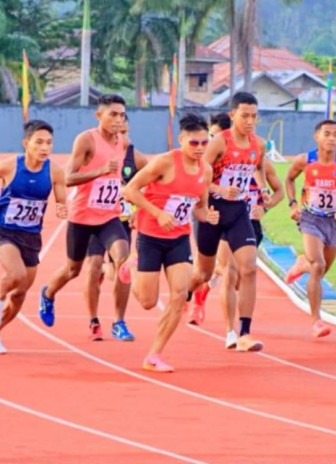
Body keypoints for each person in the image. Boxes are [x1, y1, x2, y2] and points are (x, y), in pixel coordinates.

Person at [123, 113, 217, 372]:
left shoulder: (205, 171)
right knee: (147, 302)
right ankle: (131, 266)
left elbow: (199, 209)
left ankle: (154, 354)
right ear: (181, 140)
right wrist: (157, 213)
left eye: (204, 143)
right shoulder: (164, 163)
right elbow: (129, 190)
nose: (199, 148)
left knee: (179, 294)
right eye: (193, 143)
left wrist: (207, 215)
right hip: (151, 237)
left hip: (179, 239)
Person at [38, 94, 135, 342]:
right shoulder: (86, 140)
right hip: (82, 217)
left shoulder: (123, 142)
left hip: (109, 217)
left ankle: (118, 322)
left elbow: (123, 175)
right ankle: (49, 293)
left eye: (121, 114)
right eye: (112, 114)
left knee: (123, 264)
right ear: (98, 115)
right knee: (75, 270)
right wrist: (100, 171)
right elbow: (67, 177)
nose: (117, 119)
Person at [0, 120, 68, 354]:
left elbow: (60, 199)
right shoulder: (9, 166)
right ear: (26, 143)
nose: (44, 147)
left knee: (20, 294)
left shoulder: (55, 171)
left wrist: (61, 207)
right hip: (7, 232)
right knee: (15, 275)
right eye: (39, 142)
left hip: (32, 237)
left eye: (49, 143)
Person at [188, 91, 268, 352]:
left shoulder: (259, 145)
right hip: (212, 212)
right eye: (244, 116)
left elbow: (258, 170)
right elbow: (197, 177)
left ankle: (243, 333)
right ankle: (186, 293)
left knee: (249, 268)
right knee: (204, 273)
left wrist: (262, 193)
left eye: (254, 117)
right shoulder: (219, 143)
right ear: (232, 115)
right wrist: (218, 191)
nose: (250, 121)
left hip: (238, 213)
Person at [283, 120, 336, 338]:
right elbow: (289, 178)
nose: (331, 138)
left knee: (322, 268)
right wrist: (293, 204)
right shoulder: (304, 160)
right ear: (317, 137)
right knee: (318, 265)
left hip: (335, 221)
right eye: (326, 134)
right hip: (311, 218)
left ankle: (302, 264)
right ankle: (316, 320)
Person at [83, 115, 148, 340]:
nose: (118, 129)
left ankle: (119, 321)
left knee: (124, 268)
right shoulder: (94, 150)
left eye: (123, 125)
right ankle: (93, 321)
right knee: (92, 266)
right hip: (94, 219)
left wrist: (139, 210)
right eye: (115, 124)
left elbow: (152, 185)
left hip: (120, 221)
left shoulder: (135, 157)